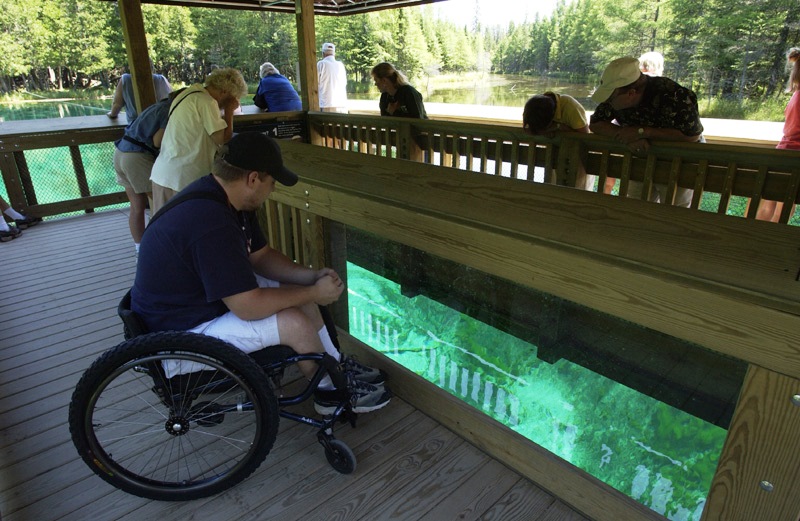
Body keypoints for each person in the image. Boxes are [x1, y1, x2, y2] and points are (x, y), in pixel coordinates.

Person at [132, 132, 390, 414]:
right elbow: (247, 307)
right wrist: (314, 292)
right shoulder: (211, 221)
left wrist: (310, 278)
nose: (273, 189)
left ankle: (335, 365)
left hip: (195, 307)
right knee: (293, 322)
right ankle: (331, 394)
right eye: (272, 182)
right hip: (175, 339)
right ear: (253, 179)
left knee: (300, 298)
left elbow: (261, 256)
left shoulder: (227, 199)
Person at [589, 56, 704, 207]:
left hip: (679, 160)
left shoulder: (674, 95)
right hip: (642, 157)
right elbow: (596, 123)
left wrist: (643, 132)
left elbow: (692, 136)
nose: (607, 102)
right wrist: (625, 135)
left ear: (631, 93)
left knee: (675, 210)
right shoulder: (617, 95)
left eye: (610, 99)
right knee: (637, 207)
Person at [149, 67, 247, 213]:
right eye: (233, 98)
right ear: (225, 92)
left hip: (163, 174)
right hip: (182, 179)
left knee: (165, 224)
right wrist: (229, 111)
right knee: (187, 224)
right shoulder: (207, 102)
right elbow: (222, 139)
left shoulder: (187, 94)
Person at [112, 89, 182, 256]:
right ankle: (159, 248)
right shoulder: (170, 111)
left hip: (120, 153)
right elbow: (157, 141)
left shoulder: (156, 107)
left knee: (137, 207)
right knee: (160, 205)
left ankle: (141, 250)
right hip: (136, 158)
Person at [522, 93, 605, 192]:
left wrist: (559, 127)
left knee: (577, 191)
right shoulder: (536, 107)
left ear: (551, 118)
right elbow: (528, 129)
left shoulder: (570, 107)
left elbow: (585, 136)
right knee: (553, 190)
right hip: (556, 156)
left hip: (578, 158)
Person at [756, 47, 800, 222]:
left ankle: (755, 235)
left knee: (770, 203)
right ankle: (771, 238)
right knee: (785, 207)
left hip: (781, 153)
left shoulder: (796, 96)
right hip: (795, 159)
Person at [107, 65, 172, 124]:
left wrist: (112, 115)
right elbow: (170, 100)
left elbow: (117, 105)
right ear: (152, 67)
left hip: (136, 127)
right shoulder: (161, 79)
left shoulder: (125, 79)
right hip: (160, 125)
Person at [317, 43, 348, 113]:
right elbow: (344, 83)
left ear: (323, 53)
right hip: (342, 104)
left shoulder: (321, 64)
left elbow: (315, 84)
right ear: (334, 54)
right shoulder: (341, 65)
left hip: (326, 104)